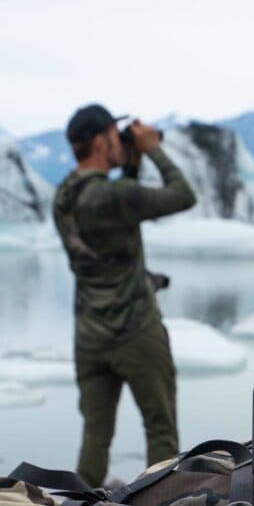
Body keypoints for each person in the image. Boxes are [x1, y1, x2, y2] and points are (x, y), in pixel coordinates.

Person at [53, 104, 197, 486]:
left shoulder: (64, 197)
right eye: (115, 137)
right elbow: (184, 196)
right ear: (101, 141)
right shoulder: (117, 196)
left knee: (95, 438)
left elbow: (118, 206)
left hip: (89, 335)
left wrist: (128, 162)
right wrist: (150, 149)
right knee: (160, 430)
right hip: (136, 333)